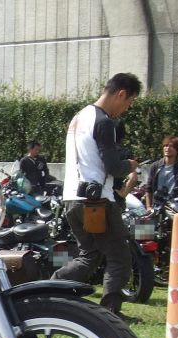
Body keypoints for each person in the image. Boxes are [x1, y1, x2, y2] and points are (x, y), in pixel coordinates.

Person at [51, 72, 141, 317]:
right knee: (119, 257)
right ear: (121, 94)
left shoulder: (79, 117)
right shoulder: (104, 122)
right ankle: (110, 313)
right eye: (130, 102)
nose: (127, 108)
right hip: (96, 201)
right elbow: (112, 166)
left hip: (72, 198)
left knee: (89, 255)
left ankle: (49, 292)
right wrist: (130, 165)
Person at [144, 135, 178, 210]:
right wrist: (148, 207)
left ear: (177, 150)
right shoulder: (155, 166)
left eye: (171, 146)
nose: (167, 148)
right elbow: (148, 189)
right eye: (165, 146)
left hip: (175, 207)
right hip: (157, 207)